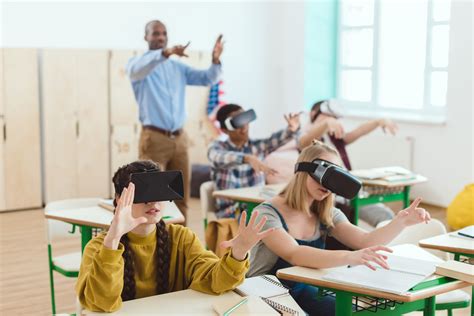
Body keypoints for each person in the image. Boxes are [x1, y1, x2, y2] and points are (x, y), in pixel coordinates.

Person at [248, 140, 430, 316]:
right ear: (304, 171)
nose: (327, 186)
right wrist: (349, 257)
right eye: (325, 176)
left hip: (303, 287)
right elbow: (294, 254)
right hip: (263, 290)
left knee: (351, 312)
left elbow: (365, 241)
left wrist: (400, 222)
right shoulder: (267, 213)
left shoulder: (326, 213)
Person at [76, 160, 273, 312]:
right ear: (119, 199)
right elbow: (101, 305)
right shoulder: (99, 248)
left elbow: (215, 282)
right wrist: (112, 240)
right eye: (144, 192)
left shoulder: (181, 238)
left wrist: (238, 253)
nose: (153, 201)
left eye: (159, 190)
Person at [126, 20, 224, 224]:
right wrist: (165, 53)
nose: (160, 37)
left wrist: (215, 61)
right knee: (150, 198)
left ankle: (181, 244)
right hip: (154, 140)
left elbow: (207, 78)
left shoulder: (177, 67)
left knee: (180, 197)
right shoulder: (138, 65)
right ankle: (154, 245)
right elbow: (138, 69)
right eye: (155, 33)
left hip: (179, 139)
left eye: (163, 33)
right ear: (146, 37)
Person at [265, 99, 399, 227]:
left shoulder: (334, 137)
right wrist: (326, 123)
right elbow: (304, 142)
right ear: (313, 114)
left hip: (349, 191)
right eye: (328, 116)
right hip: (332, 198)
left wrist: (379, 121)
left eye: (334, 117)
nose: (332, 120)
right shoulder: (306, 136)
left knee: (386, 216)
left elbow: (359, 131)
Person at [207, 104, 301, 218]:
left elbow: (275, 140)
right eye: (236, 123)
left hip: (259, 206)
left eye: (244, 119)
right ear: (224, 130)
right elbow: (216, 156)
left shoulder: (256, 146)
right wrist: (247, 158)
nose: (244, 126)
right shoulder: (217, 148)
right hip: (231, 211)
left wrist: (292, 130)